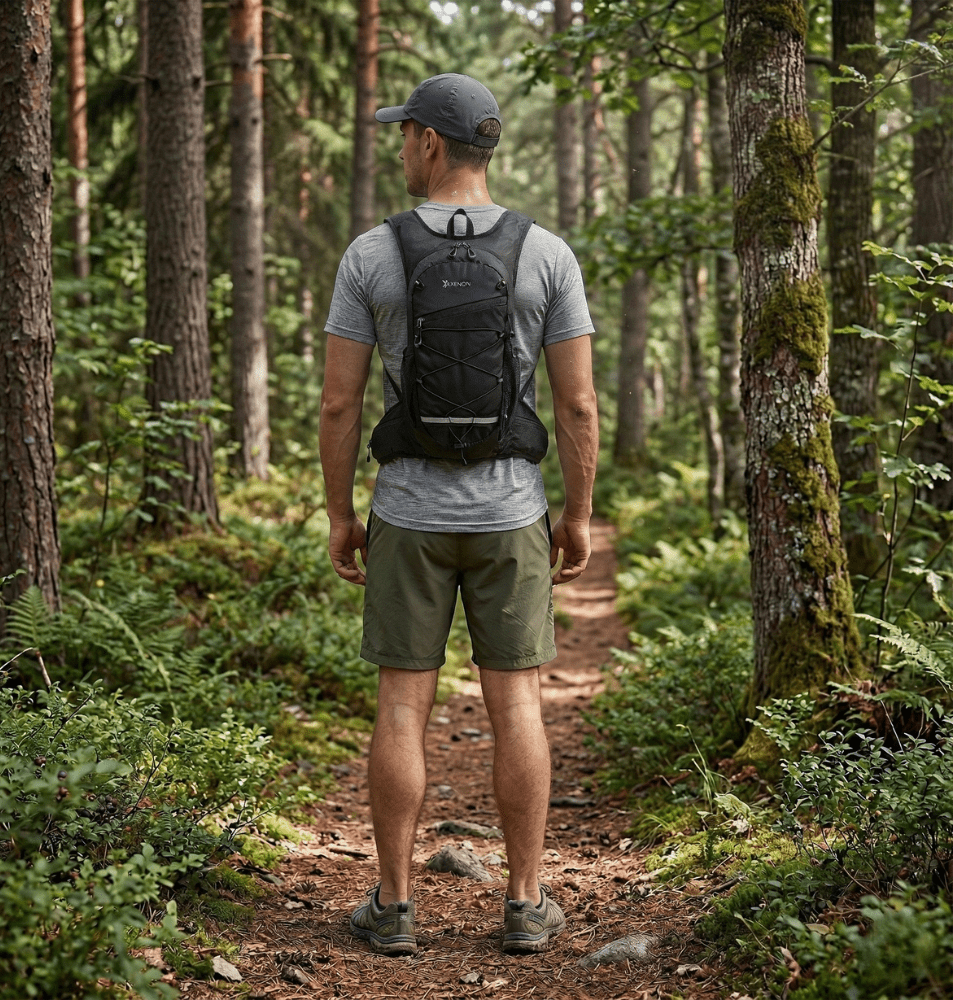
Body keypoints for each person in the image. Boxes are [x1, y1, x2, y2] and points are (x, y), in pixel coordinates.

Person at [319, 73, 598, 957]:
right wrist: (577, 516)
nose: (401, 146)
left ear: (433, 144)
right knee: (516, 700)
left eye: (406, 133)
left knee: (402, 703)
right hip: (512, 509)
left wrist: (340, 516)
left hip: (406, 508)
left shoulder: (372, 253)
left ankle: (395, 906)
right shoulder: (546, 252)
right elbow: (580, 405)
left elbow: (337, 406)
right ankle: (524, 903)